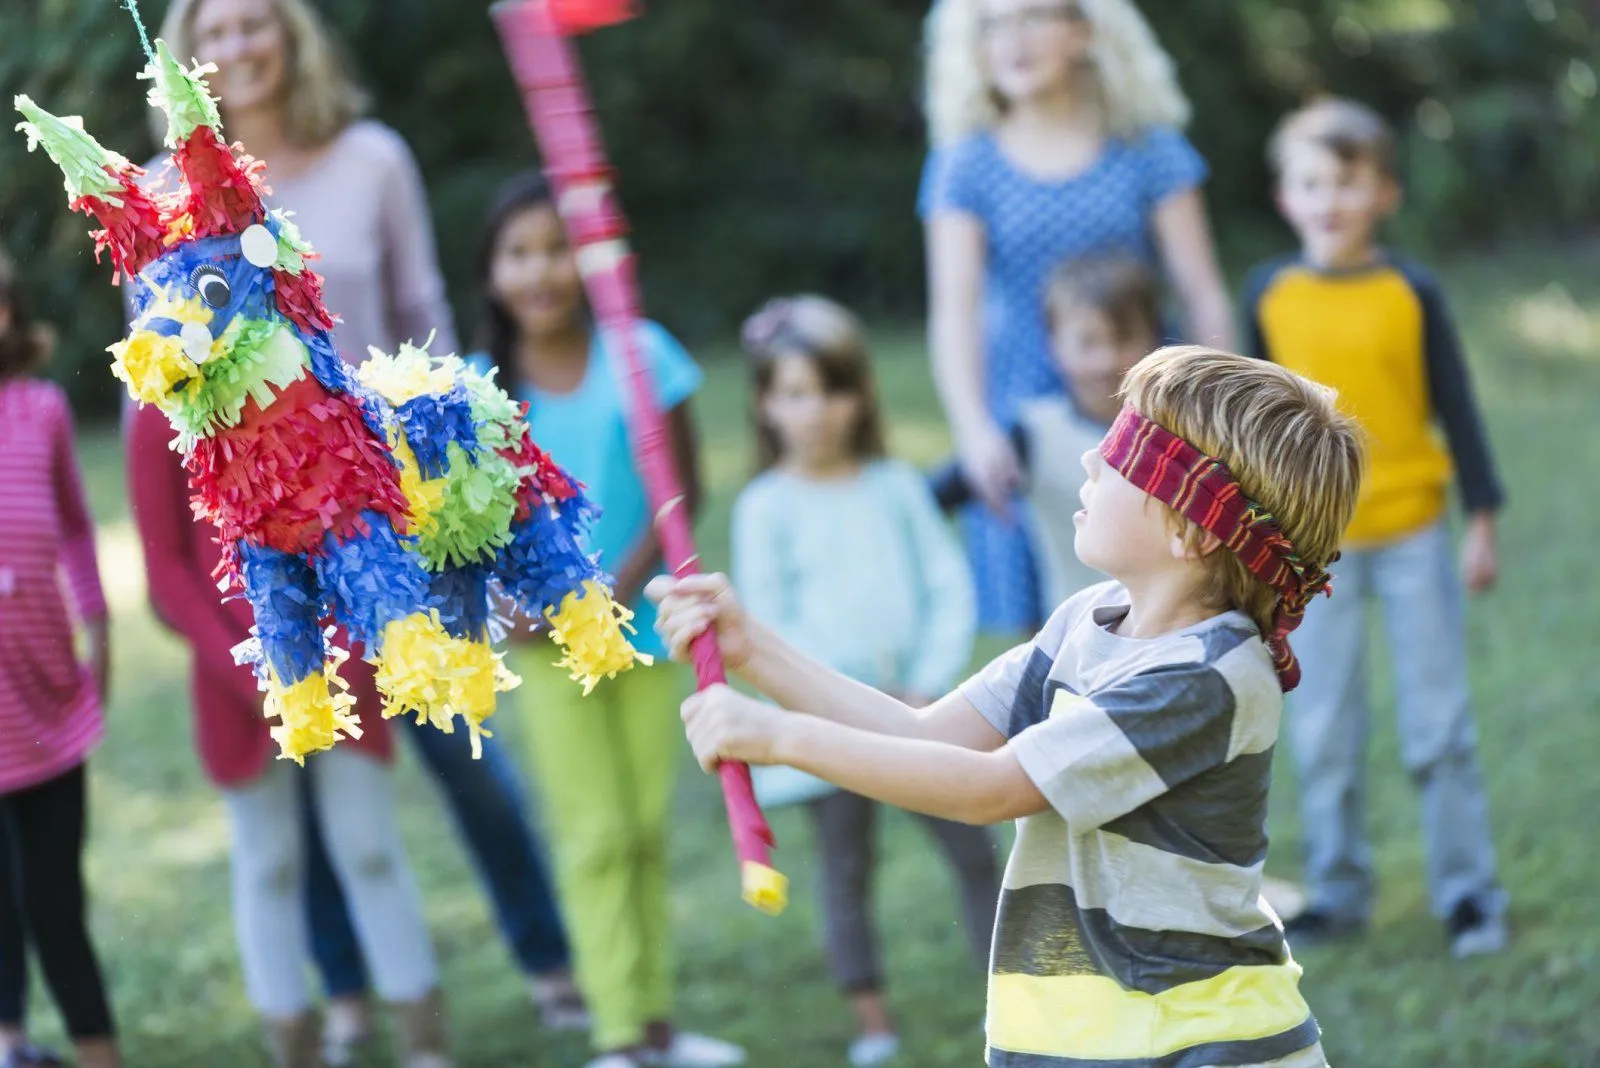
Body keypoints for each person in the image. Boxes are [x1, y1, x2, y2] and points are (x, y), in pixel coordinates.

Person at [651, 346, 1365, 1068]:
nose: (1091, 457)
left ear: (1196, 526)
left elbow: (990, 788)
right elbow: (929, 736)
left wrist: (783, 739)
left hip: (1199, 1042)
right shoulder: (1088, 619)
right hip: (1078, 1036)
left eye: (1125, 453)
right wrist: (752, 650)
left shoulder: (1206, 676)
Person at [154, 1, 583, 1058]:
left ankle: (551, 965)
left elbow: (425, 317)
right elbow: (168, 371)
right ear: (186, 53)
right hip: (273, 520)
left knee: (463, 745)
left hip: (390, 499)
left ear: (291, 36)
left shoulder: (372, 159)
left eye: (257, 24)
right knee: (309, 763)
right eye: (216, 30)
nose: (239, 46)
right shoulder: (167, 192)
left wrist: (464, 482)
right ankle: (344, 992)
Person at [469, 171, 743, 1068]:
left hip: (642, 631)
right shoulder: (473, 389)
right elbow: (456, 528)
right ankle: (620, 1035)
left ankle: (658, 1027)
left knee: (644, 833)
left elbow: (682, 489)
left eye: (558, 249)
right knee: (593, 838)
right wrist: (513, 605)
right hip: (547, 650)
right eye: (519, 253)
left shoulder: (643, 355)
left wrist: (611, 590)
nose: (540, 270)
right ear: (492, 272)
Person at [1241, 97, 1509, 957]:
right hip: (1310, 547)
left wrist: (1482, 519)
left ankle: (1469, 896)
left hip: (1415, 535)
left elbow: (1457, 407)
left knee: (1439, 724)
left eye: (1348, 183)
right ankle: (1338, 891)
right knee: (1322, 727)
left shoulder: (1411, 292)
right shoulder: (1270, 297)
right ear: (1286, 197)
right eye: (1311, 183)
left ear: (1384, 193)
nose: (1330, 201)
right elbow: (1250, 429)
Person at [733, 296, 999, 1067]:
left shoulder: (896, 487)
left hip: (923, 715)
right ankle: (872, 1020)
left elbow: (946, 582)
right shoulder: (764, 507)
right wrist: (844, 699)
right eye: (794, 393)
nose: (815, 411)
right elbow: (771, 620)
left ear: (861, 396)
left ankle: (1010, 994)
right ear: (765, 404)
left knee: (976, 849)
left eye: (831, 389)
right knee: (846, 868)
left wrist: (926, 683)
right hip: (827, 729)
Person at [920, 0, 1233, 636]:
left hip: (1144, 408)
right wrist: (974, 430)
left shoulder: (1148, 149)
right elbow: (955, 312)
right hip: (1023, 414)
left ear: (1084, 31)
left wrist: (1219, 413)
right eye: (994, 24)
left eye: (1034, 17)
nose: (1014, 39)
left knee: (1163, 605)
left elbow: (1201, 291)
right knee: (1045, 631)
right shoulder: (965, 163)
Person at [0, 249, 121, 1068]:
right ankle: (10, 1043)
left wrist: (100, 627)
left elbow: (76, 528)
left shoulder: (40, 409)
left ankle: (98, 1051)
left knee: (54, 899)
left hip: (45, 688)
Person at [932, 255, 1161, 618]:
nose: (1107, 359)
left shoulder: (1180, 428)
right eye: (1088, 343)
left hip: (1178, 633)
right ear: (1054, 345)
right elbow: (926, 500)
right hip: (1078, 637)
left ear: (1153, 336)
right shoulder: (1033, 435)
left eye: (1124, 338)